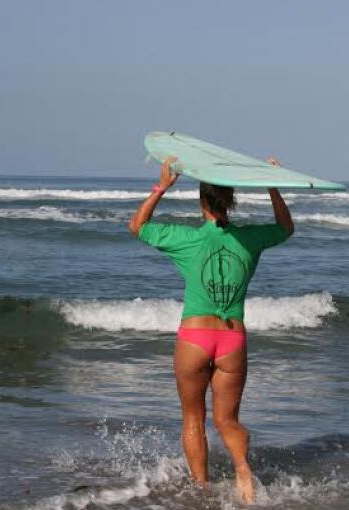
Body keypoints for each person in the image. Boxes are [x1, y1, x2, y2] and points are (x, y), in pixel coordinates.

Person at [128, 156, 294, 503]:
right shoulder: (251, 239)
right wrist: (272, 185)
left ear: (202, 201)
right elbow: (286, 228)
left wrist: (162, 186)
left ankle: (200, 491)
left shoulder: (185, 239)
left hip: (194, 338)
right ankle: (241, 466)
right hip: (232, 338)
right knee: (227, 420)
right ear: (231, 201)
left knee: (193, 417)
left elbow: (138, 226)